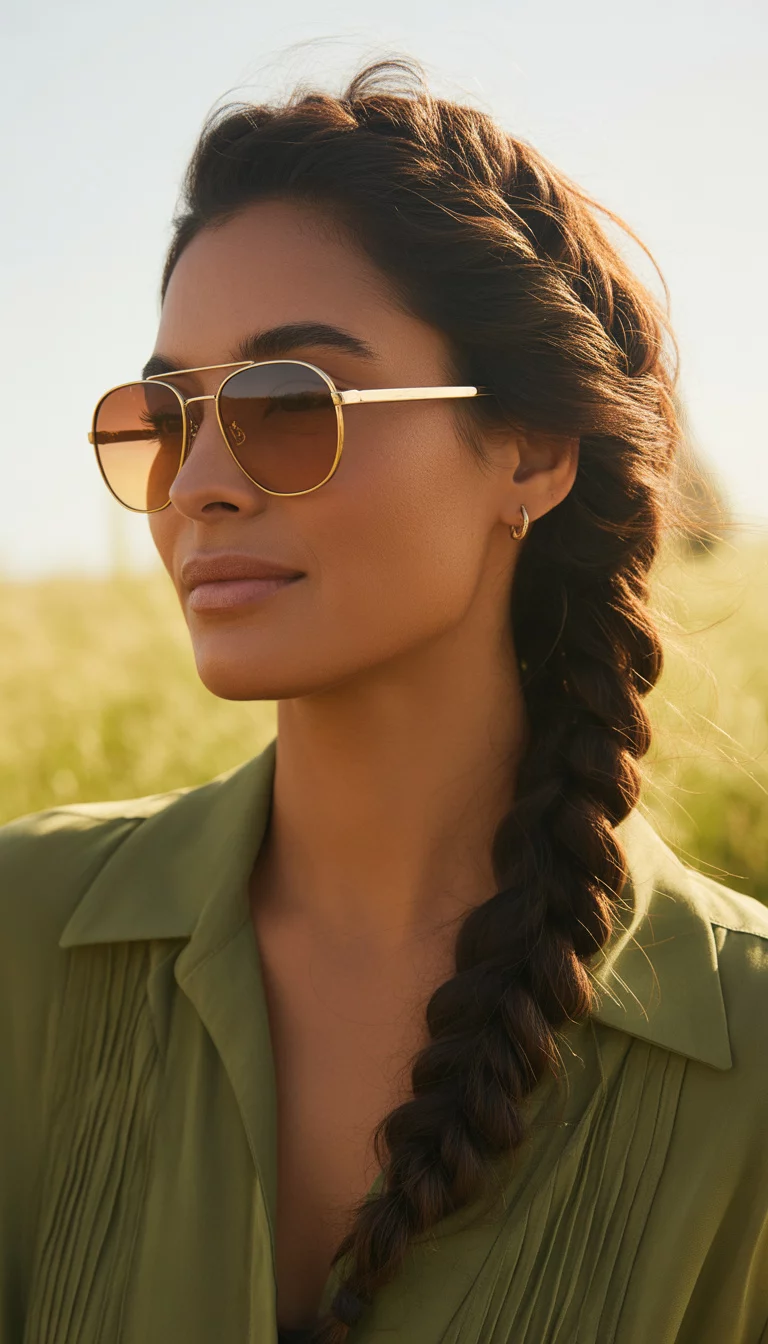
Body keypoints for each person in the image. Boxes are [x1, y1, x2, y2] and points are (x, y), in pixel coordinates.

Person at [2, 58, 767, 1344]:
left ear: (531, 452)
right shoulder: (21, 936)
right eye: (167, 417)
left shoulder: (745, 1051)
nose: (198, 485)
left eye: (288, 404)